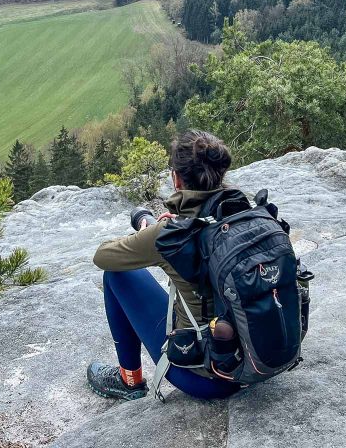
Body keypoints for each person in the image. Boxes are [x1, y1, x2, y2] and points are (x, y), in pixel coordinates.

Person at [87, 130, 243, 401]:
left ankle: (129, 380)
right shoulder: (249, 212)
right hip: (263, 360)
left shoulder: (170, 234)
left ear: (176, 178)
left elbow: (103, 256)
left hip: (209, 379)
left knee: (117, 275)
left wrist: (152, 232)